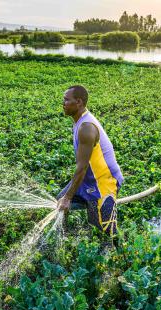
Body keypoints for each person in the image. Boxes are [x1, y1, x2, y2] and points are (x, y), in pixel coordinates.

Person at [57, 85, 124, 237]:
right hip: (89, 179)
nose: (63, 103)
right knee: (59, 202)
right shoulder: (79, 121)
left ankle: (120, 255)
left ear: (79, 102)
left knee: (105, 230)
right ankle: (66, 238)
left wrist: (68, 198)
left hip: (104, 182)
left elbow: (82, 167)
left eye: (67, 100)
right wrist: (65, 198)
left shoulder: (86, 128)